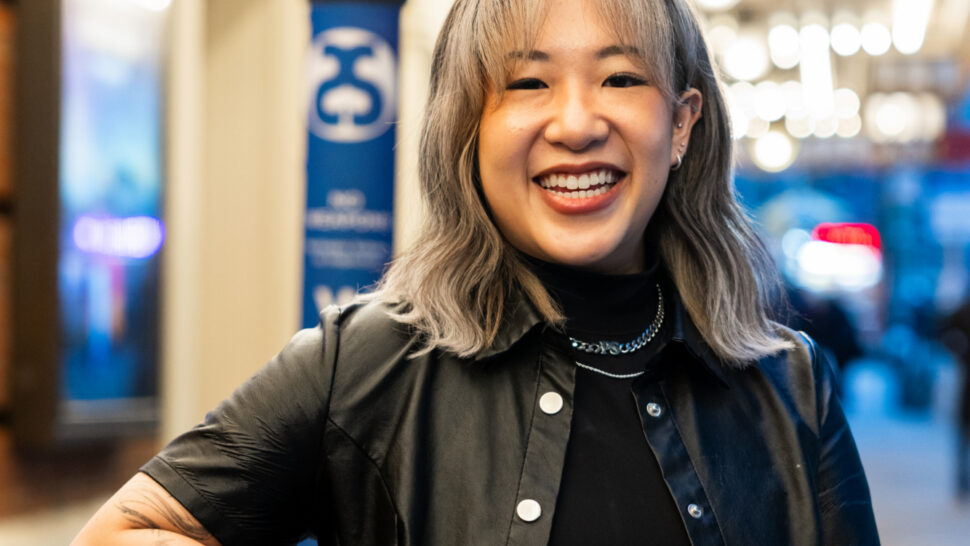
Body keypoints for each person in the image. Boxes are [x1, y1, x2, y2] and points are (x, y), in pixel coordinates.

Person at [74, 0, 880, 544]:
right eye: (527, 83)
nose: (576, 123)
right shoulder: (364, 364)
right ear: (469, 127)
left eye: (621, 78)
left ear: (681, 124)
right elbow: (125, 531)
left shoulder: (791, 387)